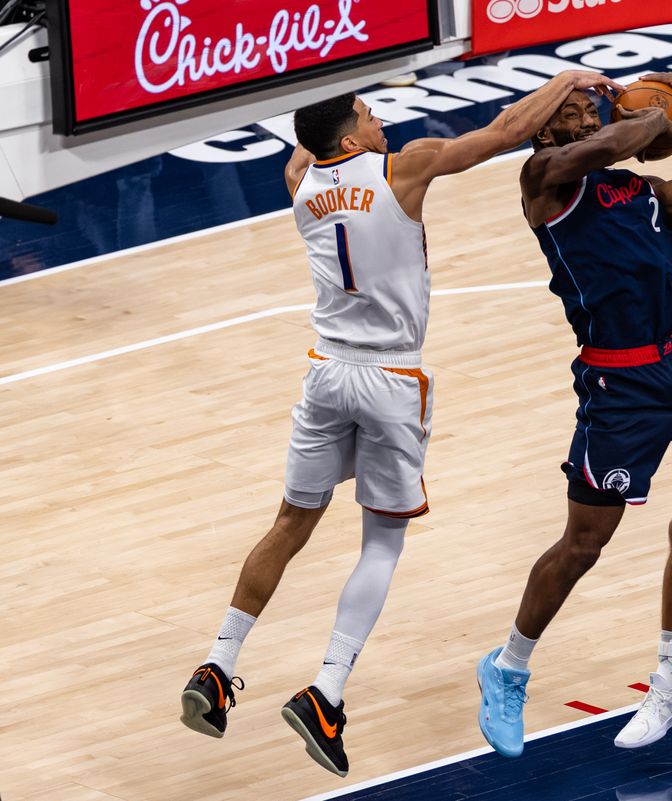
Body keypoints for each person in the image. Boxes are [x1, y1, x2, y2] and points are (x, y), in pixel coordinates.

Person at [178, 69, 624, 778]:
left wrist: (325, 113)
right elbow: (506, 134)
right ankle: (326, 690)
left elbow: (301, 148)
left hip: (325, 370)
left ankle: (217, 663)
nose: (382, 117)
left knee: (291, 522)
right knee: (382, 542)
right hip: (391, 376)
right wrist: (564, 78)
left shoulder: (302, 184)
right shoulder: (403, 168)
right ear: (351, 137)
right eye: (368, 111)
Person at [475, 72, 672, 758]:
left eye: (594, 105)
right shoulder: (545, 179)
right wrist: (652, 116)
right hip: (620, 382)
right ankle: (507, 668)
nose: (591, 111)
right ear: (548, 126)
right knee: (583, 543)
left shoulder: (639, 189)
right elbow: (622, 137)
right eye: (579, 106)